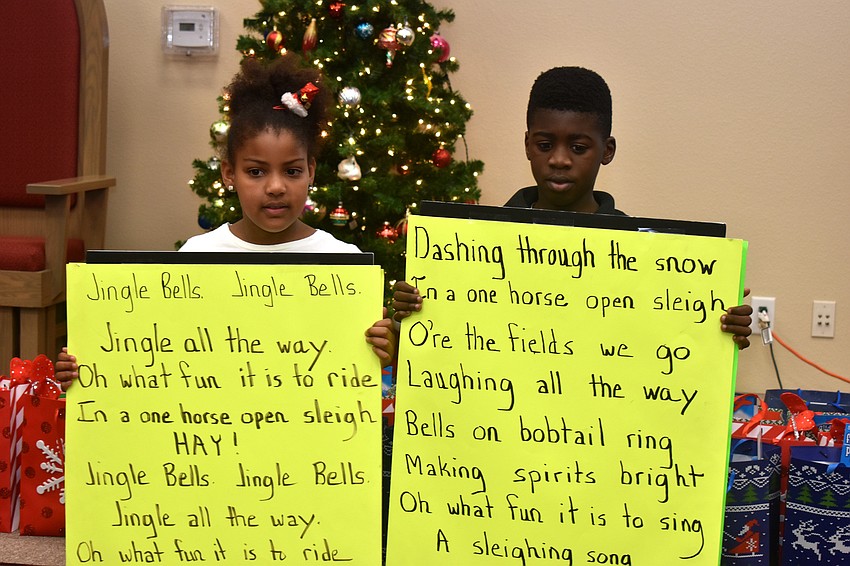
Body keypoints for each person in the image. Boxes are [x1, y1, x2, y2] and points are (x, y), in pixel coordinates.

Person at [57, 54, 397, 388]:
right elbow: (160, 352)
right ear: (229, 174)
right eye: (256, 171)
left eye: (292, 171)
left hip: (316, 430)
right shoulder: (198, 256)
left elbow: (364, 364)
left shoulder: (345, 263)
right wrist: (89, 366)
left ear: (310, 171)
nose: (276, 187)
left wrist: (385, 349)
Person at [393, 65, 753, 347]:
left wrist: (719, 326)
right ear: (527, 145)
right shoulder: (471, 245)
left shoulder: (646, 254)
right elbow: (452, 332)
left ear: (607, 150)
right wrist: (410, 312)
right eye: (545, 144)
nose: (560, 160)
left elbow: (665, 340)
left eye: (578, 147)